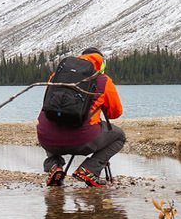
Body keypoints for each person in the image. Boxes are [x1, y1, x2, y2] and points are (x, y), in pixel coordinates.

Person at [37, 46, 124, 187]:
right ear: (101, 64)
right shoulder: (102, 80)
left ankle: (54, 166)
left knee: (51, 124)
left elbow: (49, 106)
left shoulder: (56, 76)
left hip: (47, 139)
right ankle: (89, 169)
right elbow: (115, 113)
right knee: (119, 136)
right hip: (83, 140)